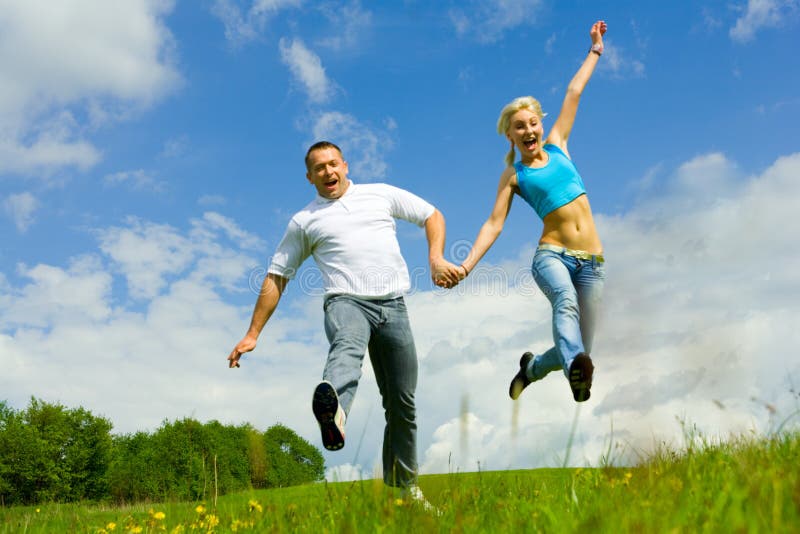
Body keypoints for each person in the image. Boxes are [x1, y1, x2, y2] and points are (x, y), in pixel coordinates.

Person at [228, 141, 460, 504]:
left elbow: (432, 214)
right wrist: (252, 333)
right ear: (309, 177)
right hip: (346, 301)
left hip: (394, 306)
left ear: (345, 165)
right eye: (319, 168)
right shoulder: (305, 221)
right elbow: (276, 276)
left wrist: (435, 257)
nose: (328, 172)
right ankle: (334, 415)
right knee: (348, 343)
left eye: (333, 164)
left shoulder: (379, 195)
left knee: (402, 403)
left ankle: (403, 487)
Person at [458, 21, 608, 403]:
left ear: (541, 125)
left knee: (575, 347)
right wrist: (467, 265)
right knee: (565, 304)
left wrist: (594, 49)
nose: (528, 130)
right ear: (510, 136)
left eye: (532, 123)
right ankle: (578, 376)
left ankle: (532, 369)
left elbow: (574, 92)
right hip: (552, 256)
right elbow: (494, 224)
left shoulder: (558, 145)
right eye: (518, 127)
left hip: (593, 262)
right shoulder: (515, 175)